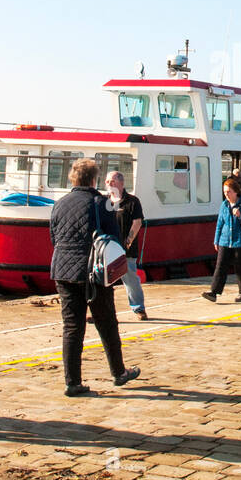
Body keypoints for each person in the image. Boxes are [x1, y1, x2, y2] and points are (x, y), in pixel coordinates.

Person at [49, 158, 140, 396]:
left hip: (63, 271)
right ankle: (118, 372)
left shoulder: (60, 203)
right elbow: (114, 237)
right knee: (106, 322)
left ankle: (73, 381)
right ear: (93, 179)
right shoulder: (102, 203)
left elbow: (53, 237)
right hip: (94, 272)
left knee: (72, 326)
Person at [203, 177, 241, 303]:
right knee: (220, 266)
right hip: (225, 240)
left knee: (240, 267)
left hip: (240, 241)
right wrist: (216, 240)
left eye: (229, 192)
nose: (226, 194)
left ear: (236, 192)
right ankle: (214, 292)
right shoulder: (224, 205)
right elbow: (220, 223)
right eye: (225, 192)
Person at [105, 170, 147, 320]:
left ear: (121, 183)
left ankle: (138, 308)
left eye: (112, 181)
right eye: (107, 181)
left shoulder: (132, 202)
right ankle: (103, 313)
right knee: (103, 281)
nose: (109, 184)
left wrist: (127, 243)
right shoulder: (104, 202)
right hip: (106, 249)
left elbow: (137, 223)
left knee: (130, 279)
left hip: (125, 249)